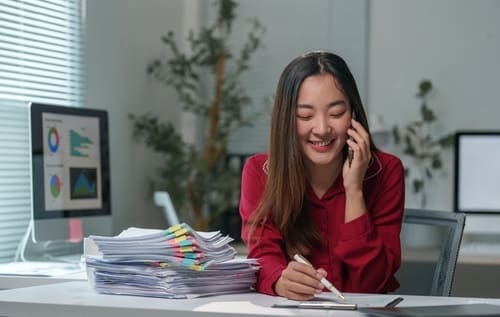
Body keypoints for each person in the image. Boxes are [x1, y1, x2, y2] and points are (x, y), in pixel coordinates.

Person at [239, 51, 405, 300]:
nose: (322, 129)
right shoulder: (260, 171)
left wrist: (354, 190)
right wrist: (280, 281)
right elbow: (262, 256)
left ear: (354, 115)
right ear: (286, 121)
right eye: (305, 116)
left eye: (337, 113)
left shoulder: (386, 171)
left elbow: (372, 284)